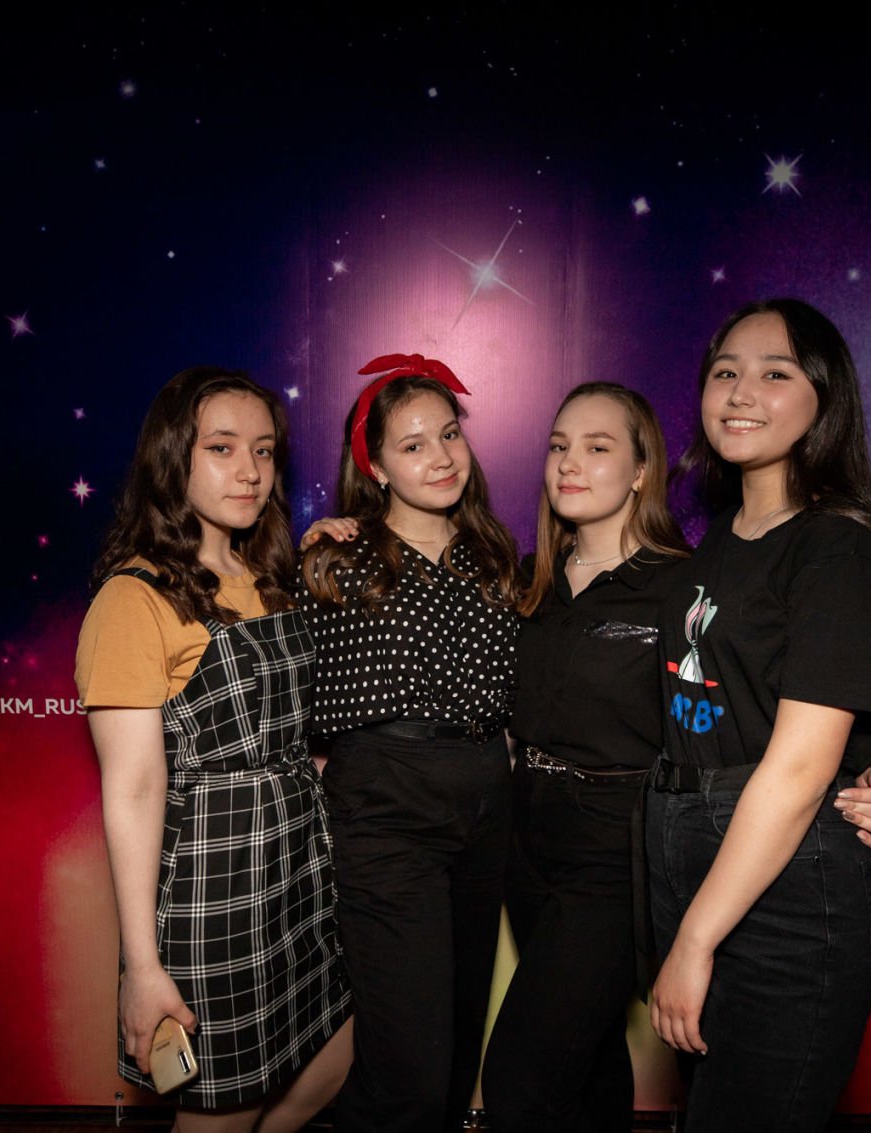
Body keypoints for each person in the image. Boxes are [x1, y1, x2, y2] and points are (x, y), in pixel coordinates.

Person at [481, 383, 871, 1133]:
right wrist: (347, 531)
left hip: (619, 850)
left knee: (522, 1077)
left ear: (642, 470)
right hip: (529, 838)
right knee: (587, 1064)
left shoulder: (682, 583)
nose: (570, 463)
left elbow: (750, 711)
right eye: (558, 447)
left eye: (598, 446)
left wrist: (861, 776)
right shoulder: (525, 580)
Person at [648, 299, 871, 1130]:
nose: (741, 391)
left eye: (775, 373)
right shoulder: (717, 540)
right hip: (696, 857)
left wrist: (694, 941)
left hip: (788, 887)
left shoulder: (838, 546)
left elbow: (800, 769)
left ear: (823, 400)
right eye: (725, 371)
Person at [75, 367, 353, 1133]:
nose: (250, 470)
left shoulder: (270, 575)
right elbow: (134, 787)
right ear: (173, 458)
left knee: (336, 1054)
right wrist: (142, 967)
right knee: (224, 1113)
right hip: (214, 887)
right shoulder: (133, 598)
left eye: (263, 450)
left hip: (300, 868)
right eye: (222, 448)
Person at [298, 354, 521, 1133]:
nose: (441, 456)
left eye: (450, 434)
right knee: (409, 1069)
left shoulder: (493, 553)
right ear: (376, 466)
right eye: (413, 444)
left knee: (457, 1049)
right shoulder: (334, 558)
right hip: (386, 799)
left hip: (486, 796)